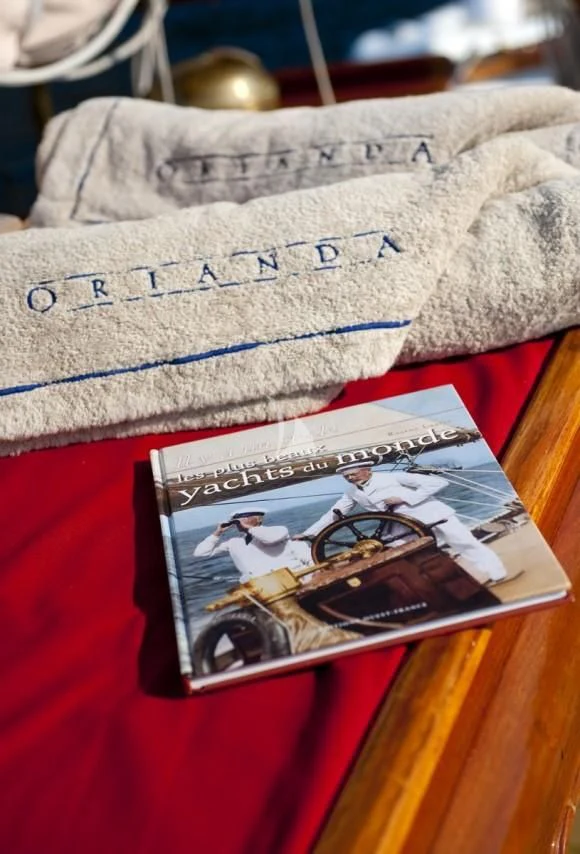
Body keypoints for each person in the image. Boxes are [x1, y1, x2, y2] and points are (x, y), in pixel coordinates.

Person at [297, 461, 507, 584]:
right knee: (405, 557)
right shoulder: (352, 492)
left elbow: (439, 482)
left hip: (432, 514)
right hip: (402, 527)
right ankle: (447, 586)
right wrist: (309, 533)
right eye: (347, 477)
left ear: (367, 470)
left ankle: (497, 574)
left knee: (464, 543)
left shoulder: (394, 477)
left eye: (353, 475)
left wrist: (405, 498)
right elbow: (334, 514)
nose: (350, 479)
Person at [193, 507, 312, 582]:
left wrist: (248, 527)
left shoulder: (279, 530)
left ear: (259, 519)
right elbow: (200, 554)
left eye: (245, 518)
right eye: (237, 520)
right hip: (260, 589)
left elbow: (270, 538)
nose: (240, 522)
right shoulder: (234, 543)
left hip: (292, 580)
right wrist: (217, 533)